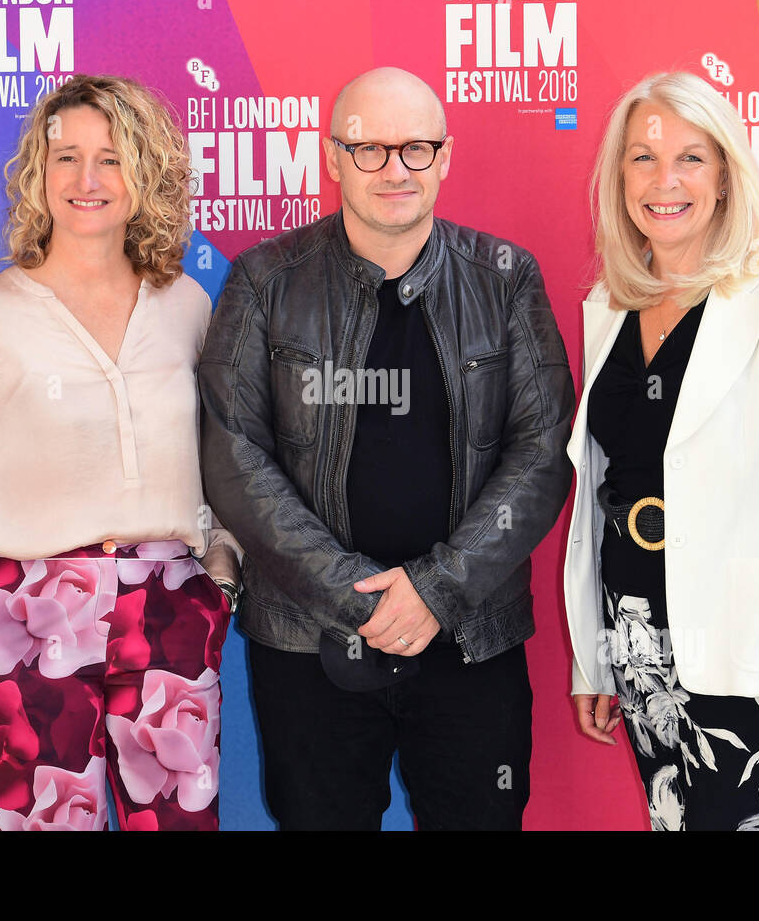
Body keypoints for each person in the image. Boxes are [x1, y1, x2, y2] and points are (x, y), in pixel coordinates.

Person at [198, 67, 576, 830]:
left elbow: (541, 453)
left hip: (471, 638)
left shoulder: (506, 281)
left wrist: (437, 589)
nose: (394, 169)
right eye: (368, 148)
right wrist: (355, 596)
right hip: (311, 641)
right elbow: (233, 457)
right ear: (333, 157)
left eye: (415, 148)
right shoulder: (266, 282)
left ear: (445, 158)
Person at [0, 74, 241, 831]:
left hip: (170, 604)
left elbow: (226, 451)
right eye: (66, 158)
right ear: (37, 171)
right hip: (25, 616)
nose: (86, 180)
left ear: (146, 173)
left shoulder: (188, 307)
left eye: (112, 158)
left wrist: (218, 566)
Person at [562, 70, 759, 830]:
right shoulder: (607, 307)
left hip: (748, 654)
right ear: (619, 175)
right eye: (643, 158)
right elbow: (603, 491)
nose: (665, 181)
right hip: (638, 646)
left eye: (691, 158)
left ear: (725, 174)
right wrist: (597, 655)